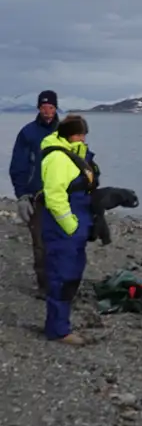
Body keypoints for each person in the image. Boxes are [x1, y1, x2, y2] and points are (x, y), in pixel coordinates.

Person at [38, 114, 97, 344]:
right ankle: (58, 329)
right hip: (62, 229)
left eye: (84, 135)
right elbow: (54, 197)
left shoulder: (74, 156)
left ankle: (61, 324)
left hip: (74, 226)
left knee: (71, 275)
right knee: (61, 276)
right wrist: (71, 225)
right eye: (78, 135)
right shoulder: (58, 159)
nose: (82, 139)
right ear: (68, 135)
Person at [8, 90, 60, 296]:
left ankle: (62, 283)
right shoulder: (27, 133)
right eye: (44, 108)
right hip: (35, 196)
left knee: (61, 241)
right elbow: (18, 166)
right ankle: (44, 285)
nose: (47, 112)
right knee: (39, 243)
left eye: (51, 108)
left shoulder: (65, 132)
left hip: (61, 196)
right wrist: (21, 195)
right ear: (38, 108)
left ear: (56, 108)